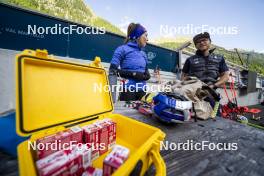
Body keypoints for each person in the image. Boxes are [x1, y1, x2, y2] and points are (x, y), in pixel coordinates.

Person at [109, 23, 150, 101]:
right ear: (137, 36)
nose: (147, 39)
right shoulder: (122, 49)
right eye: (145, 35)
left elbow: (147, 75)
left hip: (142, 91)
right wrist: (134, 74)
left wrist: (143, 76)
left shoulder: (143, 54)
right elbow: (112, 71)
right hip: (127, 91)